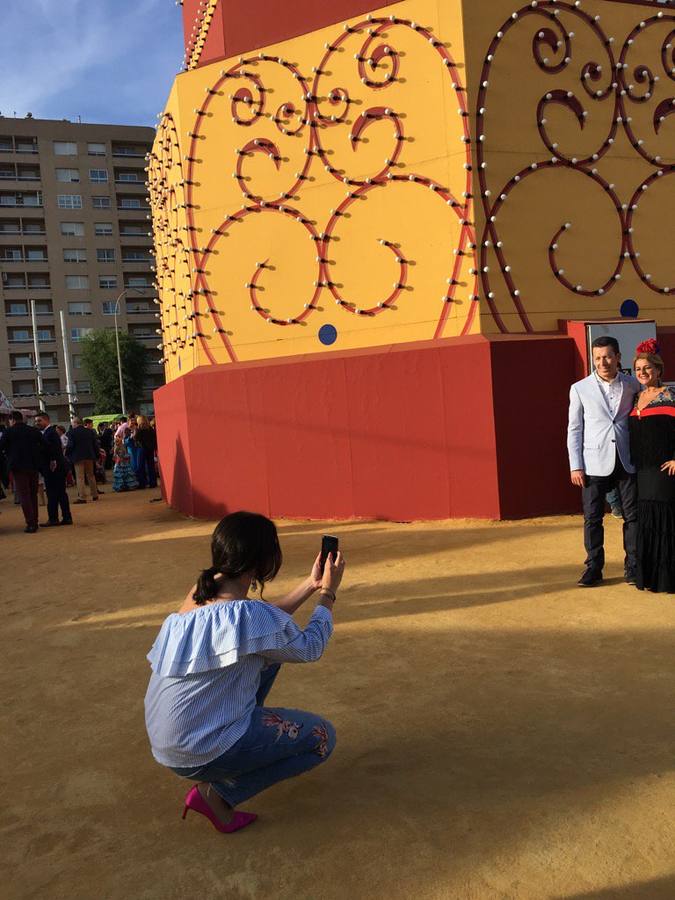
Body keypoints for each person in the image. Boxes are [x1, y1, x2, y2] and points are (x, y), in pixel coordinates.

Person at [144, 511, 343, 833]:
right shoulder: (248, 615)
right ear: (263, 560)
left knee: (270, 654)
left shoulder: (199, 594)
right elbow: (310, 647)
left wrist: (311, 584)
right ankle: (219, 794)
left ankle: (240, 747)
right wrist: (328, 595)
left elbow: (263, 624)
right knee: (322, 738)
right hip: (201, 750)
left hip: (171, 745)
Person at [567, 335, 639, 587]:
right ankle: (593, 568)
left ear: (618, 357)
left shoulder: (632, 384)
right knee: (592, 518)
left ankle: (633, 567)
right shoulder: (579, 388)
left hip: (626, 459)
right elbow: (574, 429)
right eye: (597, 358)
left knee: (632, 516)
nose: (603, 362)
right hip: (593, 461)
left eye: (608, 356)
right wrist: (576, 465)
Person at [628, 340, 675, 592]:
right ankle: (650, 577)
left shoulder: (670, 395)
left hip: (663, 469)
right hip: (642, 470)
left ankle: (668, 578)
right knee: (646, 519)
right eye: (638, 369)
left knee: (664, 520)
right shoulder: (636, 398)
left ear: (658, 370)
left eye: (647, 368)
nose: (642, 373)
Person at [0, 410, 47, 533]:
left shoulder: (8, 432)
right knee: (33, 494)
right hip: (33, 466)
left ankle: (30, 523)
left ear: (12, 420)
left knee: (24, 495)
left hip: (18, 467)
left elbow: (1, 448)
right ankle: (35, 521)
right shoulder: (33, 430)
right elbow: (44, 445)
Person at [35, 412, 72, 527]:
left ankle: (54, 518)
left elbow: (52, 450)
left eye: (39, 421)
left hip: (53, 469)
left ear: (46, 420)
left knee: (53, 494)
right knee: (60, 494)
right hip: (56, 468)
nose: (37, 423)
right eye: (36, 421)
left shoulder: (50, 433)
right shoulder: (50, 433)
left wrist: (52, 461)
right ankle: (65, 517)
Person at [67, 416, 100, 504]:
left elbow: (70, 445)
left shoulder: (71, 432)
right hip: (89, 456)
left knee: (80, 477)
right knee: (91, 475)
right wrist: (97, 455)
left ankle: (82, 497)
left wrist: (67, 454)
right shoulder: (90, 431)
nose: (72, 424)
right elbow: (95, 444)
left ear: (76, 423)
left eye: (73, 423)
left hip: (78, 457)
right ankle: (95, 494)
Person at [134, 415, 158, 489]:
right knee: (151, 466)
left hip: (141, 449)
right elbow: (154, 439)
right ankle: (153, 483)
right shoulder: (150, 428)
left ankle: (142, 483)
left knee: (140, 467)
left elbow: (136, 438)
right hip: (150, 449)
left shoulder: (139, 429)